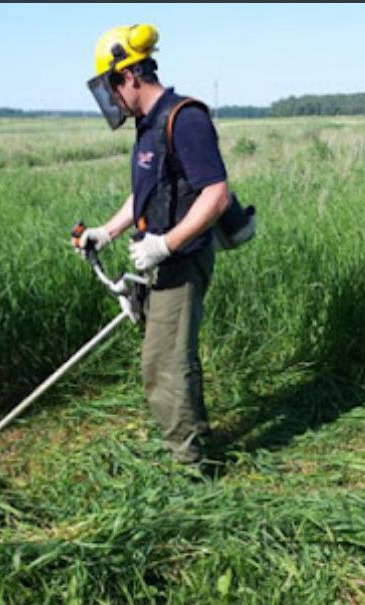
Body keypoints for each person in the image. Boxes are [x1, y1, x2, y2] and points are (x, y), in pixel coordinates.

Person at [76, 24, 231, 468]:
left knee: (162, 364)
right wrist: (107, 232)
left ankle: (191, 468)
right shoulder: (150, 125)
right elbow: (147, 193)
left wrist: (166, 244)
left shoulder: (186, 118)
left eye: (111, 87)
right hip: (162, 257)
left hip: (181, 261)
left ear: (128, 77)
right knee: (172, 356)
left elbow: (215, 193)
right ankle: (195, 439)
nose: (111, 99)